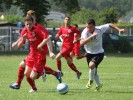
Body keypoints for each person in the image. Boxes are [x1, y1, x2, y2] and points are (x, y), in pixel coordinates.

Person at [9, 10, 61, 90]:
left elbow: (47, 38)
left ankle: (42, 72)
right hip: (32, 54)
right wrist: (17, 42)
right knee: (25, 71)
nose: (29, 24)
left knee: (33, 76)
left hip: (40, 55)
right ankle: (24, 85)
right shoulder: (26, 28)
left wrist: (50, 52)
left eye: (31, 18)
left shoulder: (39, 28)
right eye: (28, 19)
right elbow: (21, 39)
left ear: (34, 19)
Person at [80, 19, 125, 91]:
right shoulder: (85, 32)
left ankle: (90, 81)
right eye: (87, 27)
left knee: (91, 66)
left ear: (94, 26)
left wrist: (119, 29)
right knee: (94, 71)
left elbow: (110, 24)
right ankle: (99, 85)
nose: (88, 29)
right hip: (89, 53)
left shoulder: (99, 29)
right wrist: (91, 37)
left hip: (99, 53)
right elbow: (81, 43)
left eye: (90, 27)